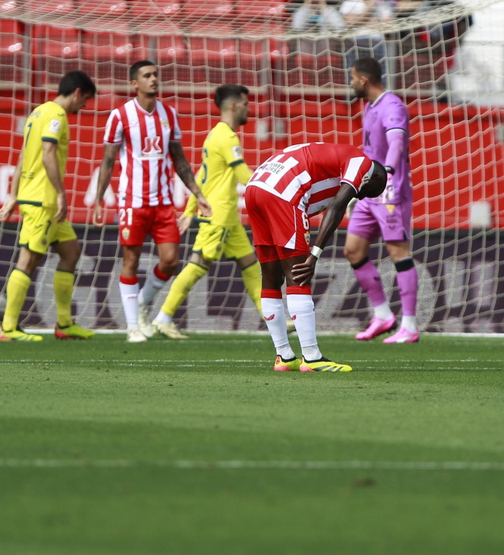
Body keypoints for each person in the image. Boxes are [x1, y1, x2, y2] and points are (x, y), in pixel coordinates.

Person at [89, 60, 212, 343]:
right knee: (130, 261)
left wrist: (198, 194)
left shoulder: (168, 113)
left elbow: (179, 159)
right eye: (147, 75)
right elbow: (108, 161)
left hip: (164, 202)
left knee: (170, 261)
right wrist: (98, 199)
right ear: (135, 83)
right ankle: (133, 325)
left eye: (156, 74)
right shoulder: (120, 116)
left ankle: (141, 304)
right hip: (132, 202)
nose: (154, 79)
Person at [246, 141, 389, 372]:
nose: (361, 198)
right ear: (373, 178)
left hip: (256, 186)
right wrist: (314, 254)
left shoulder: (332, 168)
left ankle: (284, 356)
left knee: (271, 277)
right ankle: (312, 358)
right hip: (284, 190)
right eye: (366, 193)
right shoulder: (362, 164)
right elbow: (337, 206)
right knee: (299, 274)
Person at [147, 83, 268, 338]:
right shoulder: (227, 137)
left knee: (249, 264)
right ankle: (163, 317)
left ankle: (273, 318)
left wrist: (190, 210)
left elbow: (202, 176)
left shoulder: (215, 135)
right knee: (198, 263)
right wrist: (271, 187)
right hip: (219, 214)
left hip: (228, 217)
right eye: (246, 104)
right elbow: (241, 172)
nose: (249, 109)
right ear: (234, 105)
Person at [0, 70, 98, 342]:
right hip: (43, 200)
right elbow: (48, 153)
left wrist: (13, 194)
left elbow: (24, 155)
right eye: (85, 100)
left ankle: (64, 324)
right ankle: (8, 327)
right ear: (77, 93)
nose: (84, 106)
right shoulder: (56, 116)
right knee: (29, 260)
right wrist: (61, 193)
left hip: (39, 197)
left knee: (71, 252)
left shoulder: (38, 112)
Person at [339, 57, 419, 345]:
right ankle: (383, 315)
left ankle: (409, 325)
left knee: (399, 253)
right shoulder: (370, 107)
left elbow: (397, 141)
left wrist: (387, 172)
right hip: (368, 192)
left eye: (352, 77)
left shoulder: (392, 106)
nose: (350, 83)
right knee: (353, 250)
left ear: (363, 79)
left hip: (390, 192)